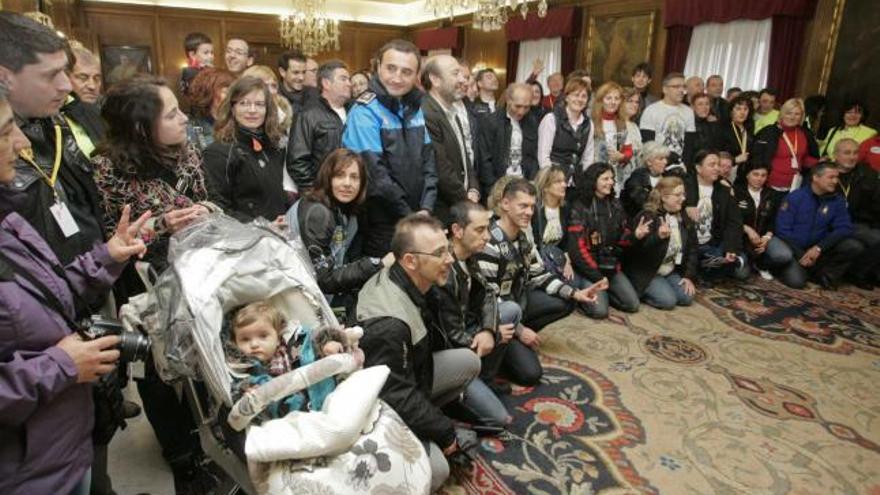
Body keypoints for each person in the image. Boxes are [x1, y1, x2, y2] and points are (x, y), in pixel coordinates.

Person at [1, 83, 152, 495]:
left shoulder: (6, 221)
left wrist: (107, 257)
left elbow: (46, 291)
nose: (19, 143)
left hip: (61, 451)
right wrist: (61, 366)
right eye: (4, 131)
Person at [91, 75, 220, 493]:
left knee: (201, 356)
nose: (184, 118)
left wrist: (205, 210)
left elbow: (208, 198)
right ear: (143, 127)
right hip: (143, 284)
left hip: (196, 272)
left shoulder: (186, 152)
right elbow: (108, 240)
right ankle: (180, 455)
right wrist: (160, 226)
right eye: (171, 113)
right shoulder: (107, 168)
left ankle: (210, 437)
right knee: (157, 370)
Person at [357, 214, 481, 492]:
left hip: (410, 374)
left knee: (468, 362)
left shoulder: (417, 281)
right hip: (381, 407)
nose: (450, 259)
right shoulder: (389, 324)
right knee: (436, 471)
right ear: (410, 260)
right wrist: (446, 434)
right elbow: (395, 396)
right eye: (440, 253)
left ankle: (426, 426)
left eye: (448, 248)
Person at [474, 179, 605, 386]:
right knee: (530, 374)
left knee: (567, 300)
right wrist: (519, 330)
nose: (529, 212)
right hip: (495, 315)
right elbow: (486, 300)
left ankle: (515, 340)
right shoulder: (489, 243)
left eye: (532, 206)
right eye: (523, 206)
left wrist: (575, 293)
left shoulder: (524, 239)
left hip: (517, 303)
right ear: (505, 204)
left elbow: (540, 275)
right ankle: (501, 352)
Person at [0, 12, 105, 266]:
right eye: (51, 75)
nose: (66, 85)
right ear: (4, 77)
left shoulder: (55, 122)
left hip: (90, 277)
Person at [342, 39, 438, 256]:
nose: (397, 78)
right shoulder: (364, 112)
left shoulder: (415, 109)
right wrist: (410, 214)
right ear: (377, 67)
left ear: (416, 76)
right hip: (381, 220)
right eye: (391, 68)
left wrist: (427, 207)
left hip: (417, 214)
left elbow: (430, 164)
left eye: (406, 72)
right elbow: (376, 175)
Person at [432, 201, 513, 426]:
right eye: (479, 230)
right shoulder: (443, 268)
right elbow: (449, 338)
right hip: (446, 350)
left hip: (465, 328)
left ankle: (483, 379)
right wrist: (494, 336)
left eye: (487, 228)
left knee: (510, 311)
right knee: (500, 420)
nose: (487, 236)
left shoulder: (469, 254)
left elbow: (488, 292)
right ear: (457, 231)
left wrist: (488, 330)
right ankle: (451, 396)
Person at [286, 148, 391, 313]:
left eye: (354, 177)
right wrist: (378, 263)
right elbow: (325, 279)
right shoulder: (318, 213)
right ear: (327, 178)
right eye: (340, 175)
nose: (347, 183)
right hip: (296, 302)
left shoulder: (345, 211)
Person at [227, 301, 349, 422]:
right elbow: (239, 396)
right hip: (293, 419)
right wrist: (247, 393)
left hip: (327, 398)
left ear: (277, 337)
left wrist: (327, 346)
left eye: (263, 336)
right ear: (236, 343)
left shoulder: (299, 344)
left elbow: (316, 344)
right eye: (245, 339)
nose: (254, 344)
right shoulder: (245, 372)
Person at [203, 76, 288, 223]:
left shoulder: (275, 146)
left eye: (260, 104)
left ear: (267, 109)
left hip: (279, 236)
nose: (252, 110)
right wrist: (262, 227)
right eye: (244, 103)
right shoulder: (218, 152)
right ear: (232, 108)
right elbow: (218, 209)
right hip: (245, 239)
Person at [566, 163, 641, 318]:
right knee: (599, 312)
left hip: (610, 266)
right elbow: (577, 251)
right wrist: (598, 277)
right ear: (594, 181)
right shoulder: (580, 207)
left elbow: (622, 239)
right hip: (588, 269)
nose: (611, 182)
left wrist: (635, 236)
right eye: (605, 179)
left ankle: (605, 293)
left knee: (632, 305)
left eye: (612, 178)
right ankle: (585, 295)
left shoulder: (615, 205)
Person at [775, 161, 863, 289]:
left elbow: (844, 227)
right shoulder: (795, 198)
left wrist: (818, 248)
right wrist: (801, 255)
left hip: (819, 249)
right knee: (797, 282)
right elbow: (782, 231)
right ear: (816, 178)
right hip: (795, 249)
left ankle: (826, 276)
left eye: (837, 177)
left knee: (853, 246)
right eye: (831, 177)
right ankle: (799, 269)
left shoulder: (837, 201)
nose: (835, 181)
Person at [623, 176, 699, 309]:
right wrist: (657, 236)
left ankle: (663, 285)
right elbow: (636, 253)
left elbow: (692, 248)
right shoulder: (648, 216)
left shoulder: (683, 217)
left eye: (683, 194)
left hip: (669, 270)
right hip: (648, 272)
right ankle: (639, 291)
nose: (683, 198)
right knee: (668, 302)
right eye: (678, 195)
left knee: (687, 298)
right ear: (664, 197)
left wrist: (688, 276)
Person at [422, 55, 480, 223]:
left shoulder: (452, 111)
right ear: (435, 79)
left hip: (460, 204)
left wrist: (474, 188)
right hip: (441, 210)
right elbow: (441, 168)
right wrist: (466, 201)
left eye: (463, 75)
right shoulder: (427, 112)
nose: (464, 80)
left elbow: (464, 158)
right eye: (456, 74)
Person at [288, 60, 351, 192]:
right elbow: (297, 162)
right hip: (322, 194)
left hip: (352, 191)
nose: (349, 84)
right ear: (326, 83)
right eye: (343, 79)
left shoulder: (355, 113)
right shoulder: (308, 116)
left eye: (349, 79)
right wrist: (316, 192)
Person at [685, 150, 748, 280]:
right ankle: (703, 266)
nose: (717, 169)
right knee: (721, 266)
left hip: (711, 243)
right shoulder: (684, 186)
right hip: (688, 244)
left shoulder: (724, 191)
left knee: (740, 271)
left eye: (718, 165)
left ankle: (706, 265)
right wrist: (686, 207)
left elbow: (734, 223)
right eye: (711, 165)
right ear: (698, 168)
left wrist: (731, 248)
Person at [733, 162, 797, 280]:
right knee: (741, 274)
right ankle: (749, 261)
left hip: (764, 236)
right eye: (755, 174)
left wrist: (766, 238)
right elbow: (731, 218)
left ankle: (761, 264)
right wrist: (747, 229)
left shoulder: (771, 194)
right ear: (747, 175)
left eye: (763, 175)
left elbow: (774, 220)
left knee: (784, 255)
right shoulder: (736, 192)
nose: (759, 179)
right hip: (740, 237)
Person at [832, 138, 880, 289]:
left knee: (866, 239)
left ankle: (860, 273)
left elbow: (876, 202)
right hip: (832, 224)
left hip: (857, 222)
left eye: (855, 153)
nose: (852, 157)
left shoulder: (867, 174)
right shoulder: (825, 172)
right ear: (835, 155)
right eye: (847, 153)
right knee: (865, 242)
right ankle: (858, 274)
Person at [477, 83, 540, 197]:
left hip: (524, 184)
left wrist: (531, 181)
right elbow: (484, 159)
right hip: (498, 185)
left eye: (526, 107)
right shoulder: (491, 122)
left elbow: (533, 156)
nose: (521, 112)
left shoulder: (531, 122)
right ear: (508, 100)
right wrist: (493, 189)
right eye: (518, 106)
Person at [753, 98, 820, 196]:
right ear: (782, 114)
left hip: (794, 187)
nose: (792, 117)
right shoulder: (768, 132)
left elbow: (805, 158)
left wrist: (819, 163)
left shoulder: (805, 134)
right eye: (789, 113)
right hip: (768, 187)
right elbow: (756, 158)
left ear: (802, 116)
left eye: (797, 114)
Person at [537, 78, 594, 181]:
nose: (579, 99)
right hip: (551, 181)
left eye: (584, 96)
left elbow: (588, 157)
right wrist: (553, 180)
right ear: (567, 97)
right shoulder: (551, 119)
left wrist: (584, 181)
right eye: (576, 95)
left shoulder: (588, 124)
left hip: (576, 183)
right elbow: (543, 156)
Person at [639, 72, 696, 174]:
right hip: (656, 167)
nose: (681, 90)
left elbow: (690, 144)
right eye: (676, 87)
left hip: (680, 167)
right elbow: (647, 143)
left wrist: (684, 166)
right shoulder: (651, 110)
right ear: (665, 89)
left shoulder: (689, 111)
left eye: (683, 87)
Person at [591, 82, 641, 194]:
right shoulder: (592, 122)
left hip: (615, 178)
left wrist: (622, 156)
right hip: (594, 177)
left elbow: (628, 150)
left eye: (616, 98)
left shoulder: (621, 124)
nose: (613, 102)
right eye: (608, 98)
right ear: (601, 100)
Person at [531, 165, 572, 281]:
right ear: (545, 187)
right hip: (539, 264)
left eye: (564, 181)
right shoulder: (534, 210)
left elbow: (566, 243)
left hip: (558, 261)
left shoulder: (565, 208)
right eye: (558, 182)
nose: (564, 185)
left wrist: (567, 263)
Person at [184, 67, 235, 151]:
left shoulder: (237, 123)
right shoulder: (191, 128)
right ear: (208, 93)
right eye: (227, 91)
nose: (233, 97)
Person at [622, 141, 674, 218]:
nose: (665, 162)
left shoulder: (668, 176)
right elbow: (642, 203)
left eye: (666, 158)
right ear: (649, 162)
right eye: (661, 159)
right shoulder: (637, 178)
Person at [716, 95, 755, 176]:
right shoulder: (722, 128)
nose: (742, 112)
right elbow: (716, 153)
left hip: (744, 172)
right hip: (726, 170)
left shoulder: (749, 128)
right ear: (731, 111)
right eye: (738, 109)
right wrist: (734, 160)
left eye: (745, 109)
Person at [179, 32, 213, 98]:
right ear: (192, 55)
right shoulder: (190, 73)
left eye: (212, 52)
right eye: (206, 53)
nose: (211, 56)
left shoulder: (205, 69)